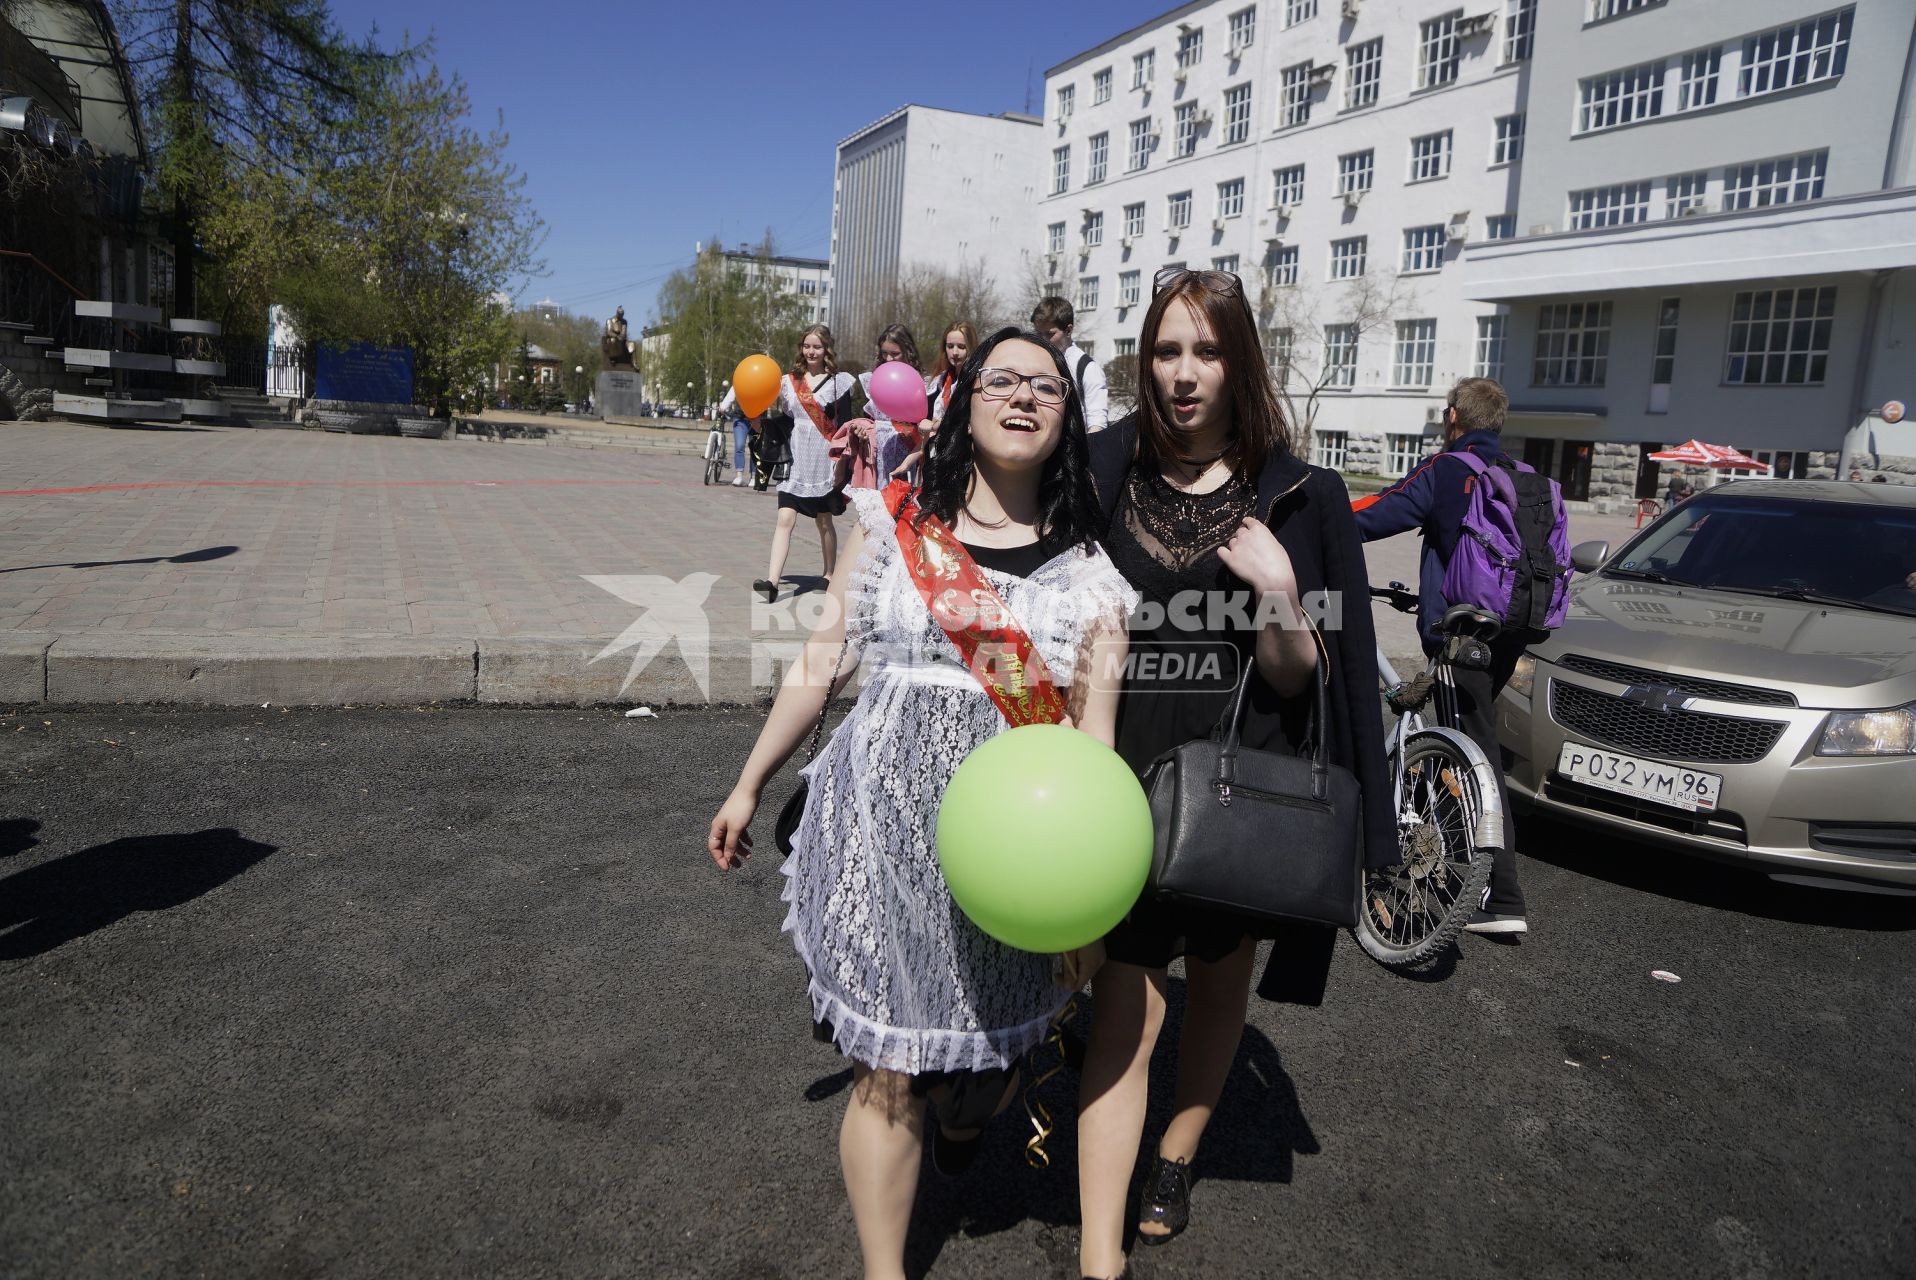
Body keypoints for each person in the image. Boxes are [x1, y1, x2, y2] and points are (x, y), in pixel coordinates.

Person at [709, 327, 1136, 1280]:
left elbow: (1095, 749)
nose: (1023, 397)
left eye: (1047, 388)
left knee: (981, 1068)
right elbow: (822, 662)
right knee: (888, 1071)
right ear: (966, 398)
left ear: (1067, 419)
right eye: (1003, 380)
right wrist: (749, 782)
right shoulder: (893, 526)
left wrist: (1086, 907)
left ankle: (970, 1113)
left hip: (1015, 857)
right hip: (880, 833)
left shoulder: (1093, 577)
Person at [1076, 268, 1392, 1280]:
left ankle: (1173, 1156)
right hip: (1117, 767)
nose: (1181, 373)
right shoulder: (1099, 467)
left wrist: (1282, 595)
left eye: (1205, 352)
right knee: (1122, 990)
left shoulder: (1299, 493)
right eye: (1165, 350)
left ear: (1238, 360)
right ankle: (1097, 1249)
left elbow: (1309, 680)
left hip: (1235, 782)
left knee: (1216, 978)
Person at [1352, 377, 1544, 936]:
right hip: (1509, 632)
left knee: (1473, 755)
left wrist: (1312, 518)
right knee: (1470, 743)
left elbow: (1376, 511)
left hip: (1460, 632)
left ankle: (1499, 895)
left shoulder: (1447, 469)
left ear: (1452, 416)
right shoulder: (1522, 476)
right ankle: (1445, 850)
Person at [757, 325, 860, 603]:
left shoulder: (840, 383)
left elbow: (845, 427)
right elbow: (786, 418)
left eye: (816, 346)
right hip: (795, 458)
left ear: (826, 349)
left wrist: (842, 462)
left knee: (824, 521)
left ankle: (828, 574)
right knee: (784, 518)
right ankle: (772, 582)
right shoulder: (789, 382)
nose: (810, 351)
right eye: (806, 346)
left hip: (823, 460)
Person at [838, 325, 924, 489]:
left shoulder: (920, 382)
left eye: (895, 354)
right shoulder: (873, 380)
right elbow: (866, 419)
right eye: (885, 353)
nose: (889, 359)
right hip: (876, 453)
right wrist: (860, 431)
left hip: (908, 453)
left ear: (908, 352)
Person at [894, 321, 980, 480]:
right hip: (936, 457)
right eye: (950, 346)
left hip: (964, 459)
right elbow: (930, 430)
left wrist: (935, 425)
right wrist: (911, 458)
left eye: (961, 347)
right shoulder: (942, 381)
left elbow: (972, 425)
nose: (954, 352)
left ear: (971, 347)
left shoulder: (978, 382)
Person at [1032, 296, 1109, 432]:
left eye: (1050, 334)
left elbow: (1097, 423)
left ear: (1068, 330)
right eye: (1038, 333)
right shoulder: (1032, 362)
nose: (1042, 340)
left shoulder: (1086, 368)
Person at [715, 385, 754, 487]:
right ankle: (739, 476)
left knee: (755, 447)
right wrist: (723, 407)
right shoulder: (740, 380)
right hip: (740, 418)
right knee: (740, 445)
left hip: (757, 418)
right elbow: (731, 394)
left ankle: (754, 477)